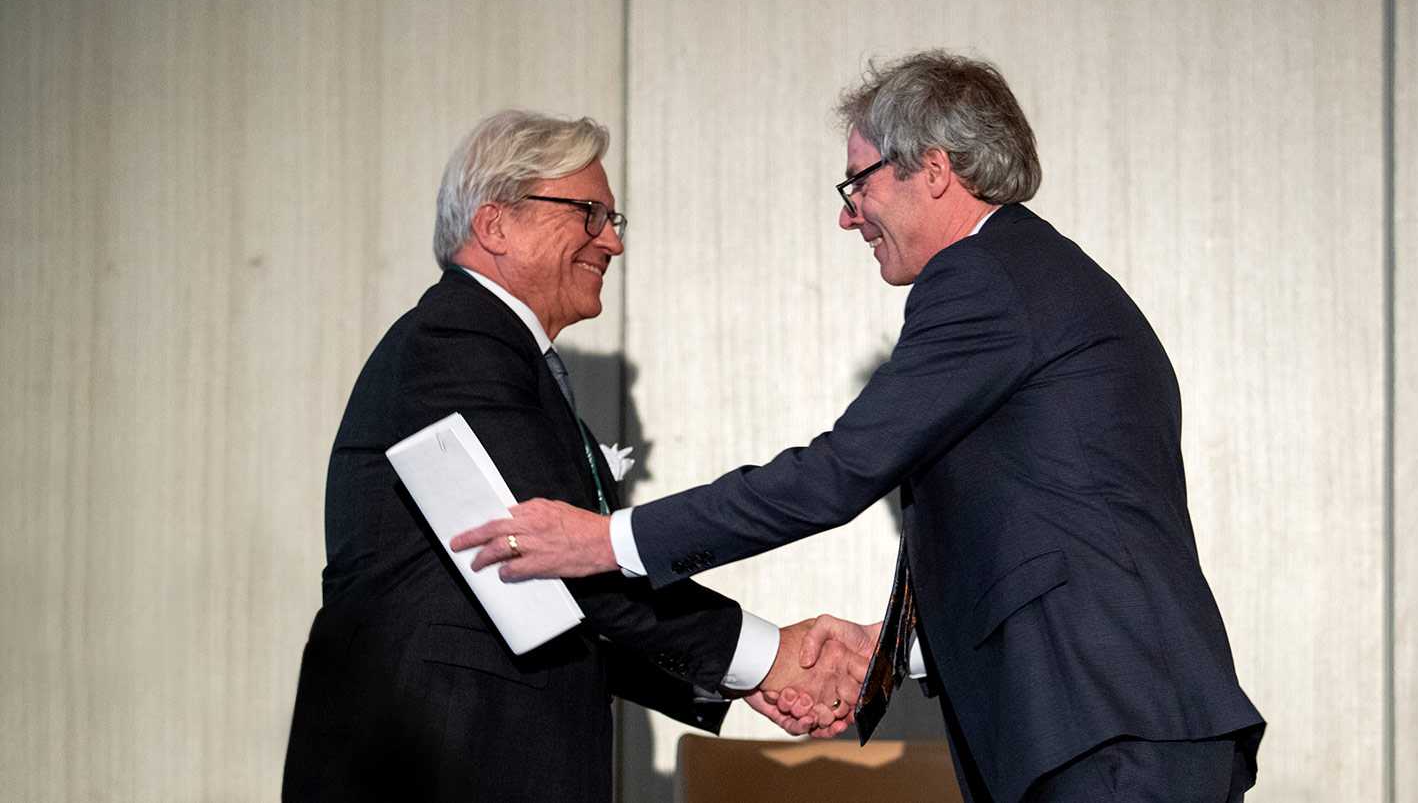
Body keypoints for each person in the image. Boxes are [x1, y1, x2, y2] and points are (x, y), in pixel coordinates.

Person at [455, 52, 1267, 802]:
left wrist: (608, 541)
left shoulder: (984, 277)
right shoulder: (1031, 277)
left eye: (859, 183)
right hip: (1116, 719)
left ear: (934, 169)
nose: (850, 217)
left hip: (1108, 723)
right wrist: (890, 651)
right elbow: (1042, 540)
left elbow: (836, 474)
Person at [282, 110, 861, 803]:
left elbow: (546, 598)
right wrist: (764, 657)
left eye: (613, 219)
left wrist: (735, 679)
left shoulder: (499, 355)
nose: (612, 240)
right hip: (433, 761)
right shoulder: (459, 337)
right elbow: (560, 561)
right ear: (495, 224)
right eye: (589, 214)